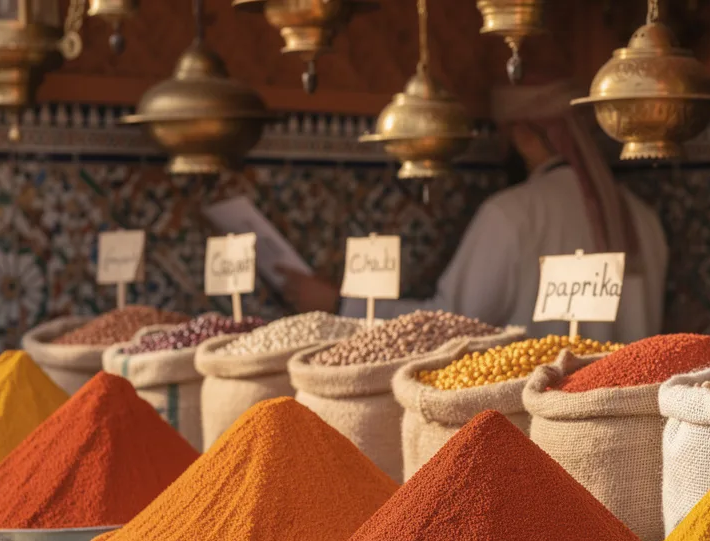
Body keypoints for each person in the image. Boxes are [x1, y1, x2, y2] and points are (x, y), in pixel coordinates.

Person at [279, 80, 669, 343]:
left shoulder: (511, 214)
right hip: (630, 429)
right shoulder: (645, 219)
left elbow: (450, 323)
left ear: (521, 135)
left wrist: (338, 306)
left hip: (539, 437)